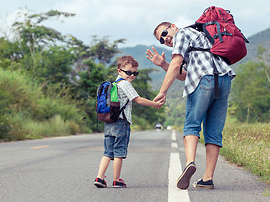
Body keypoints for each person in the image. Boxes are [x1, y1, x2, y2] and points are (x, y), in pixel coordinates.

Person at [147, 22, 235, 190]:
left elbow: (176, 63)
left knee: (192, 124)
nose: (166, 39)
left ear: (173, 26)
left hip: (204, 80)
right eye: (162, 40)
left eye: (165, 33)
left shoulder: (182, 34)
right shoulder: (200, 36)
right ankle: (208, 178)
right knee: (214, 131)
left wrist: (163, 91)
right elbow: (184, 74)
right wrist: (162, 64)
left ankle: (189, 163)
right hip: (224, 79)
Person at [94, 55, 163, 188]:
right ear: (119, 71)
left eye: (135, 73)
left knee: (108, 152)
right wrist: (155, 104)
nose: (132, 75)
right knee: (119, 152)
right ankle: (116, 179)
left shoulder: (113, 84)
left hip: (108, 121)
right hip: (121, 123)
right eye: (129, 72)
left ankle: (100, 177)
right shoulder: (125, 84)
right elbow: (138, 99)